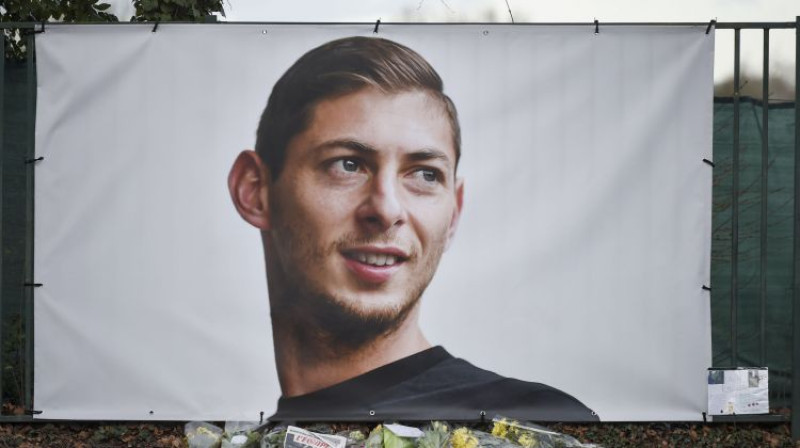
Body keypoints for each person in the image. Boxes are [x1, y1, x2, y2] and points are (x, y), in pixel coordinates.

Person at [228, 36, 598, 422]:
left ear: (453, 213)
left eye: (425, 174)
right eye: (347, 165)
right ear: (254, 191)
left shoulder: (530, 423)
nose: (386, 209)